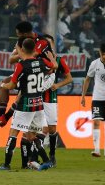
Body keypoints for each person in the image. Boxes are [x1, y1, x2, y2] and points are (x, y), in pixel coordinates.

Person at [0, 38, 57, 171]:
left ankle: (6, 164)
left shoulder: (21, 66)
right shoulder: (42, 62)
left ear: (22, 50)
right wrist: (52, 58)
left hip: (25, 105)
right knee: (32, 136)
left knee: (13, 134)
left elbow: (11, 85)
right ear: (35, 49)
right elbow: (54, 67)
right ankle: (46, 160)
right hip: (38, 104)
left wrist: (2, 85)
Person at [0, 21, 53, 125]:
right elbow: (11, 60)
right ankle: (0, 116)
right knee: (3, 84)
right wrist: (21, 51)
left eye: (18, 34)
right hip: (28, 72)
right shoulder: (21, 41)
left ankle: (7, 117)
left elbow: (28, 57)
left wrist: (19, 50)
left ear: (25, 34)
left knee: (24, 90)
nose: (17, 36)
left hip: (44, 73)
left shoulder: (42, 41)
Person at [41, 34, 73, 166]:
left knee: (52, 128)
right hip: (37, 98)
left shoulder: (59, 61)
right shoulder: (37, 60)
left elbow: (69, 78)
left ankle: (52, 155)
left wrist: (57, 85)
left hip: (51, 99)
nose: (48, 46)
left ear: (53, 45)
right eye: (45, 43)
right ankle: (37, 156)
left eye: (50, 43)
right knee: (41, 129)